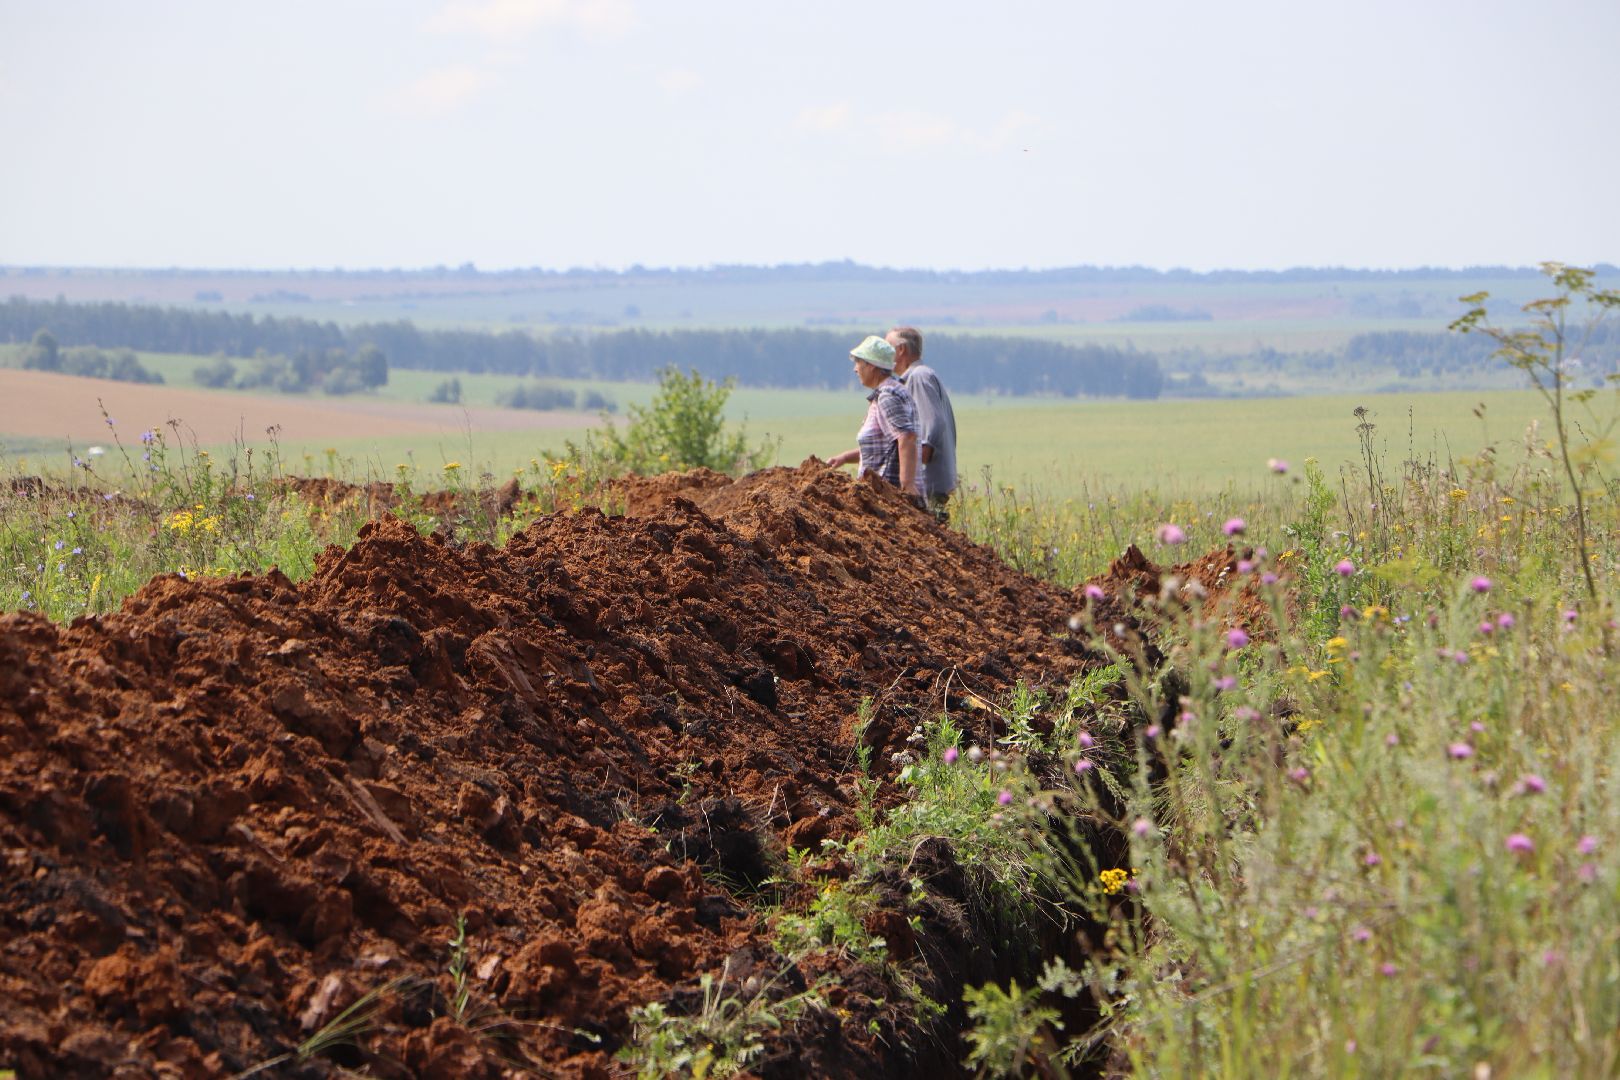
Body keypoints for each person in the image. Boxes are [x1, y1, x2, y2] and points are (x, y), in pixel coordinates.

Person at [826, 335, 924, 506]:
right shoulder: (888, 393)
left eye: (858, 362)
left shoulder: (887, 396)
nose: (855, 369)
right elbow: (884, 447)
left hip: (888, 501)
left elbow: (906, 436)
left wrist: (907, 486)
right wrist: (844, 458)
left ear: (871, 365)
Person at [887, 326, 957, 519]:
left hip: (927, 486)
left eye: (888, 346)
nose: (884, 353)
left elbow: (933, 422)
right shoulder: (919, 376)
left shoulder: (918, 376)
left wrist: (918, 458)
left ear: (901, 350)